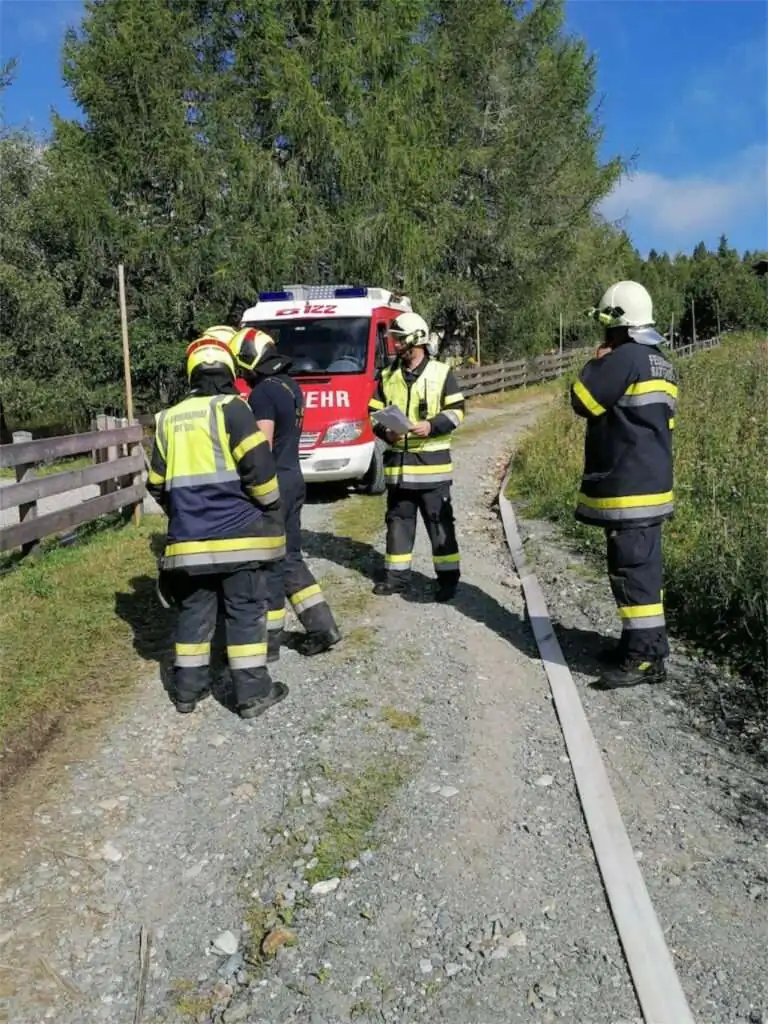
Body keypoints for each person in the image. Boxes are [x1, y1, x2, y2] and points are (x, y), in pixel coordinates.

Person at [147, 334, 288, 718]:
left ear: (192, 372)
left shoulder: (167, 419)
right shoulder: (234, 409)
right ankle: (252, 695)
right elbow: (260, 471)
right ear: (228, 370)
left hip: (188, 542)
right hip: (239, 538)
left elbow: (156, 484)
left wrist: (184, 514)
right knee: (244, 611)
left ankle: (187, 692)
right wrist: (269, 505)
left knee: (194, 612)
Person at [572, 280, 677, 689]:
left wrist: (596, 363)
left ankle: (644, 658)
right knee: (642, 570)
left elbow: (582, 400)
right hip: (651, 481)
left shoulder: (624, 358)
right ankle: (643, 644)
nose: (604, 334)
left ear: (617, 323)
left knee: (633, 571)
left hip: (630, 485)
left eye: (606, 326)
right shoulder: (661, 361)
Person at [229, 326, 342, 662]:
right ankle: (323, 627)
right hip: (294, 478)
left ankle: (269, 643)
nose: (241, 374)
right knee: (290, 556)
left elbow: (261, 447)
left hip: (274, 485)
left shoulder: (263, 394)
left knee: (270, 564)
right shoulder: (290, 385)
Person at [367, 311, 465, 602]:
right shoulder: (387, 375)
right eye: (394, 339)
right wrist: (386, 432)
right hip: (399, 470)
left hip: (432, 469)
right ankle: (396, 578)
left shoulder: (441, 373)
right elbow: (374, 413)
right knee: (398, 523)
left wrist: (431, 426)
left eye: (399, 340)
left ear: (416, 340)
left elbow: (457, 412)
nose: (395, 344)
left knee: (439, 524)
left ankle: (448, 580)